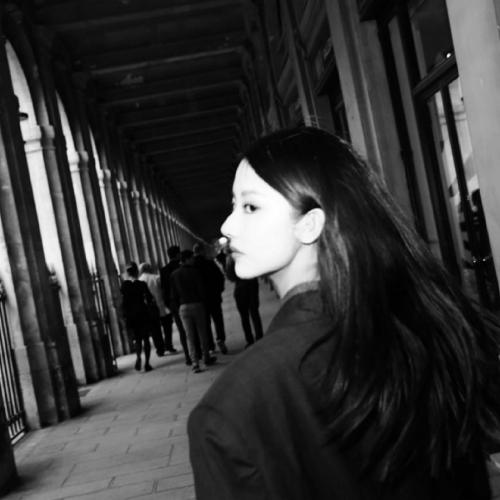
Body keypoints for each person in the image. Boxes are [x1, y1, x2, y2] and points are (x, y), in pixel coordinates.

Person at [188, 127, 500, 499]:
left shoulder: (232, 407)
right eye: (234, 204)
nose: (227, 225)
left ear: (310, 224)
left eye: (250, 207)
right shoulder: (428, 329)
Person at [170, 249, 217, 373]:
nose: (193, 260)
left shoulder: (174, 274)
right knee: (202, 333)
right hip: (197, 304)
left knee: (189, 336)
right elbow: (202, 290)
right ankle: (206, 357)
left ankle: (195, 362)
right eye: (191, 258)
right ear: (187, 259)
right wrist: (203, 302)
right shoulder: (195, 272)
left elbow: (173, 295)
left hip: (183, 307)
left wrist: (178, 307)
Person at [193, 242, 228, 354]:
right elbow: (220, 277)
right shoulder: (209, 262)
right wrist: (219, 291)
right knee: (218, 319)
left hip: (200, 300)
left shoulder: (192, 265)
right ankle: (220, 339)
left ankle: (210, 346)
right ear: (202, 251)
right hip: (214, 297)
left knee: (205, 323)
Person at [120, 261, 154, 372]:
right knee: (146, 339)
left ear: (127, 272)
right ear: (136, 271)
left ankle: (138, 357)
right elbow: (149, 298)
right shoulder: (141, 284)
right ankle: (147, 364)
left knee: (137, 339)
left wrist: (125, 315)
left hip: (132, 316)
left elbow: (123, 302)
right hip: (142, 313)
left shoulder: (124, 286)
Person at [160, 245, 191, 364]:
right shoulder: (183, 266)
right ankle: (197, 352)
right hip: (187, 300)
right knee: (192, 328)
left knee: (182, 330)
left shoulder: (164, 270)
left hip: (174, 304)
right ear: (178, 255)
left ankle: (187, 355)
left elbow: (164, 290)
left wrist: (169, 304)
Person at [225, 254, 263, 347]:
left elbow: (230, 276)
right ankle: (260, 337)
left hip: (240, 288)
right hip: (252, 285)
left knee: (244, 316)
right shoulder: (248, 255)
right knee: (254, 313)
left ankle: (249, 339)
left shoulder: (231, 259)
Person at [138, 262, 167, 357]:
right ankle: (168, 344)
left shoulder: (139, 281)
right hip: (161, 304)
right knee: (166, 325)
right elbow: (163, 290)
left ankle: (159, 348)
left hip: (149, 308)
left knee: (155, 329)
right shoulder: (156, 277)